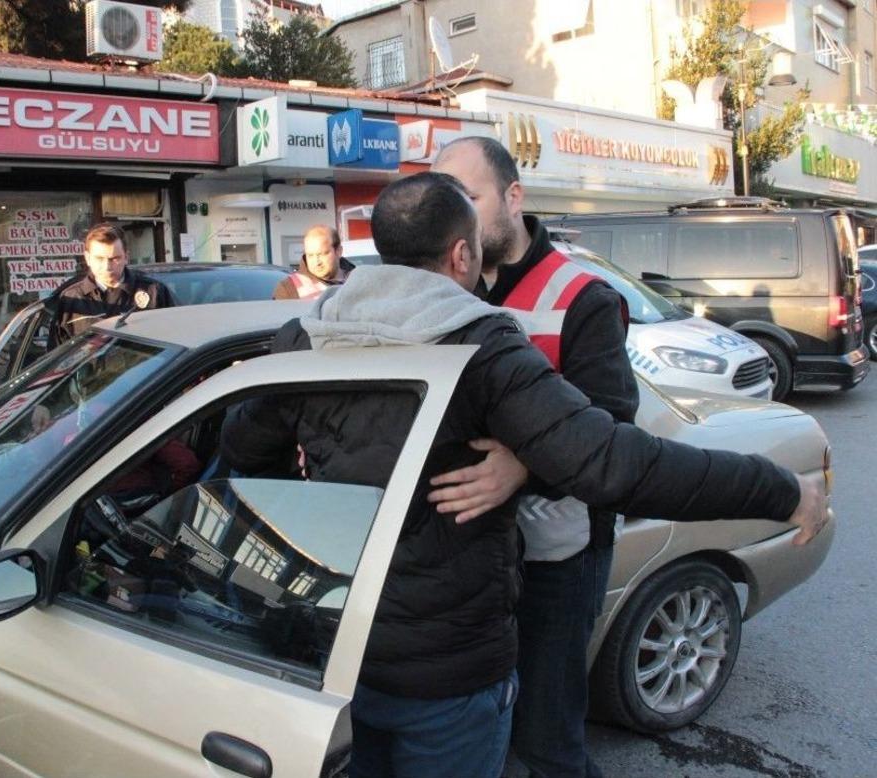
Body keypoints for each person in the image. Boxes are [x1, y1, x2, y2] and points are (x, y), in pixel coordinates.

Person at [218, 172, 828, 778]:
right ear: (461, 255)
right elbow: (616, 464)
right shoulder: (480, 344)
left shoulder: (306, 332)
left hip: (337, 638)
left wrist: (313, 508)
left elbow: (243, 447)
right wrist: (783, 490)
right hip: (450, 672)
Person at [434, 135, 634, 778]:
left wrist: (521, 466)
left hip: (559, 552)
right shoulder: (448, 286)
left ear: (514, 197)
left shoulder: (584, 297)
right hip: (474, 552)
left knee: (548, 733)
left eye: (468, 196)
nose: (455, 214)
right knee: (491, 718)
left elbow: (611, 423)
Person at [48, 222, 173, 347]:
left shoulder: (154, 292)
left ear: (126, 257)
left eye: (114, 258)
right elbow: (56, 355)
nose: (107, 267)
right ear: (87, 258)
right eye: (99, 259)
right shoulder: (71, 299)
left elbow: (175, 339)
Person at [272, 224, 355, 300]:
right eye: (310, 255)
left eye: (322, 254)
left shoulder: (359, 280)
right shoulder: (289, 288)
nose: (317, 262)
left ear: (338, 251)